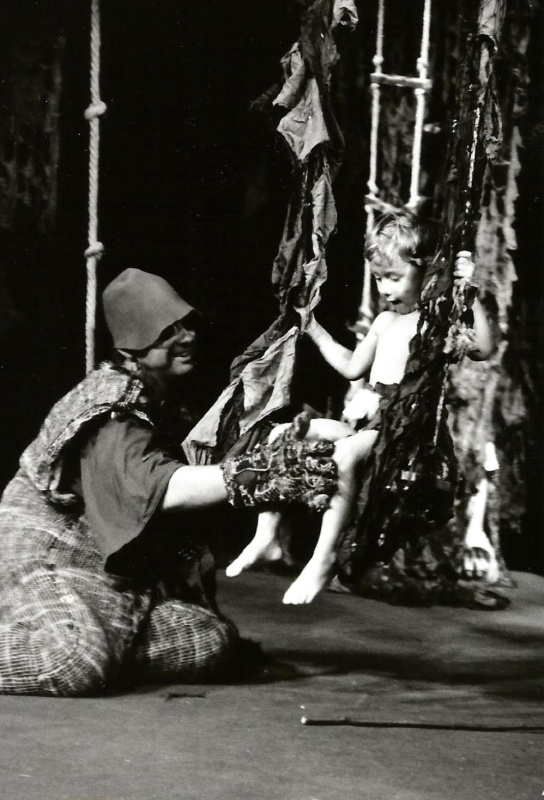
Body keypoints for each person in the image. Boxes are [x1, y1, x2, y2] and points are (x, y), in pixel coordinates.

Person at [0, 268, 338, 696]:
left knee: (209, 641)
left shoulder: (160, 397)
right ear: (133, 344)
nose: (187, 337)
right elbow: (163, 489)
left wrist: (286, 441)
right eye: (167, 332)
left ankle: (105, 648)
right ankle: (85, 645)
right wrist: (262, 473)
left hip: (118, 578)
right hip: (48, 563)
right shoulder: (111, 410)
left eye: (186, 325)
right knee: (75, 660)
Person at [226, 211, 494, 604]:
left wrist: (467, 290)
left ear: (426, 269)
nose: (385, 288)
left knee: (346, 454)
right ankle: (268, 537)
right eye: (379, 278)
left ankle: (323, 558)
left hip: (407, 434)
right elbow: (353, 367)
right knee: (286, 434)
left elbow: (482, 349)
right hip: (372, 425)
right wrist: (314, 330)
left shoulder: (435, 323)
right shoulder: (385, 322)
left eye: (394, 277)